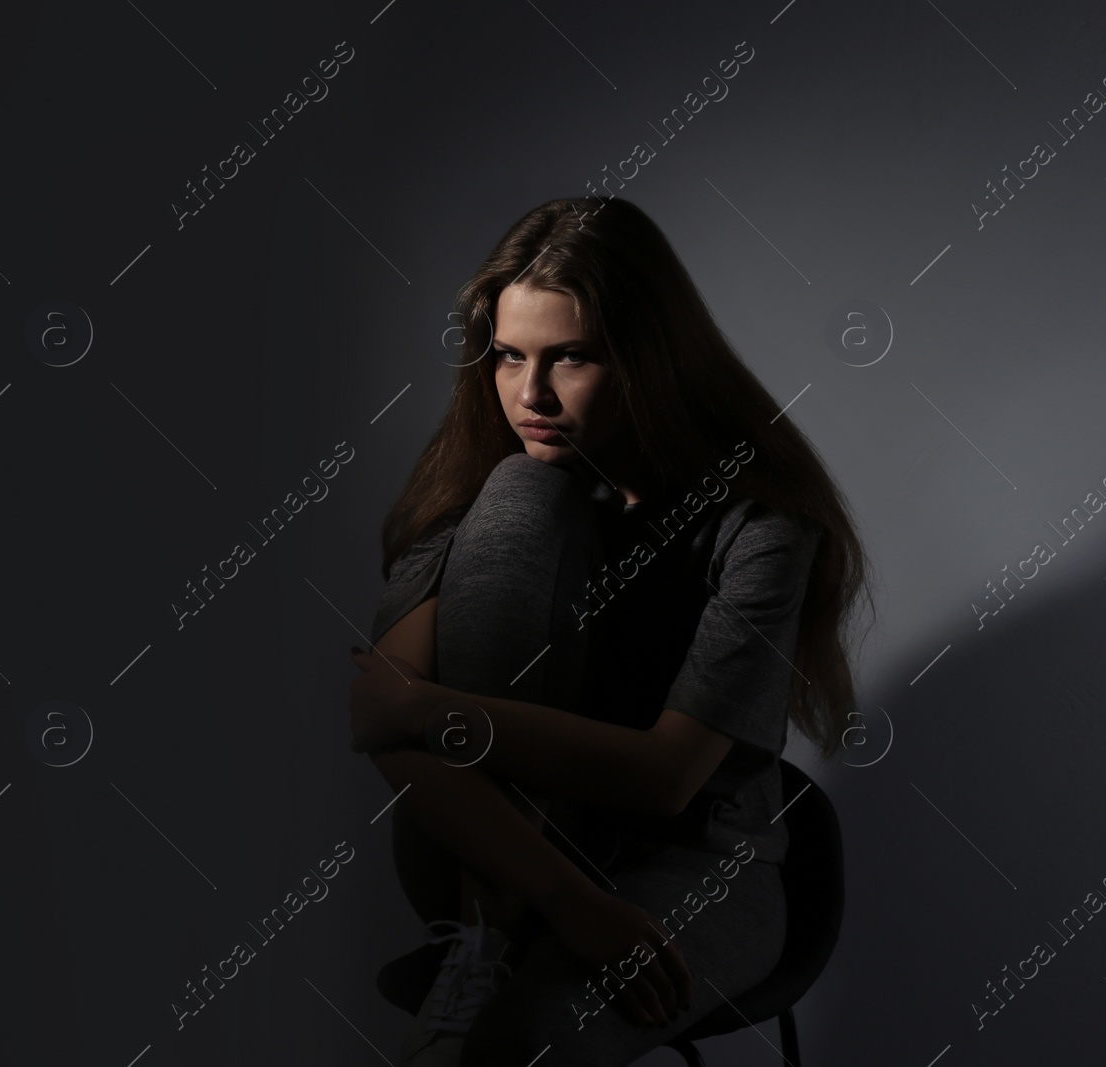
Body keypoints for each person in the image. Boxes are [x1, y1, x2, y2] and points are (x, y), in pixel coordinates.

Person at [347, 196, 872, 1067]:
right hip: (492, 856)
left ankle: (494, 944)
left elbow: (665, 778)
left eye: (572, 358)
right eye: (508, 357)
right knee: (521, 494)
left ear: (646, 359)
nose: (530, 394)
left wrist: (424, 710)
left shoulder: (760, 523)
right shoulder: (483, 487)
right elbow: (384, 730)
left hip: (695, 862)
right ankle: (488, 931)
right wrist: (563, 896)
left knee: (521, 1046)